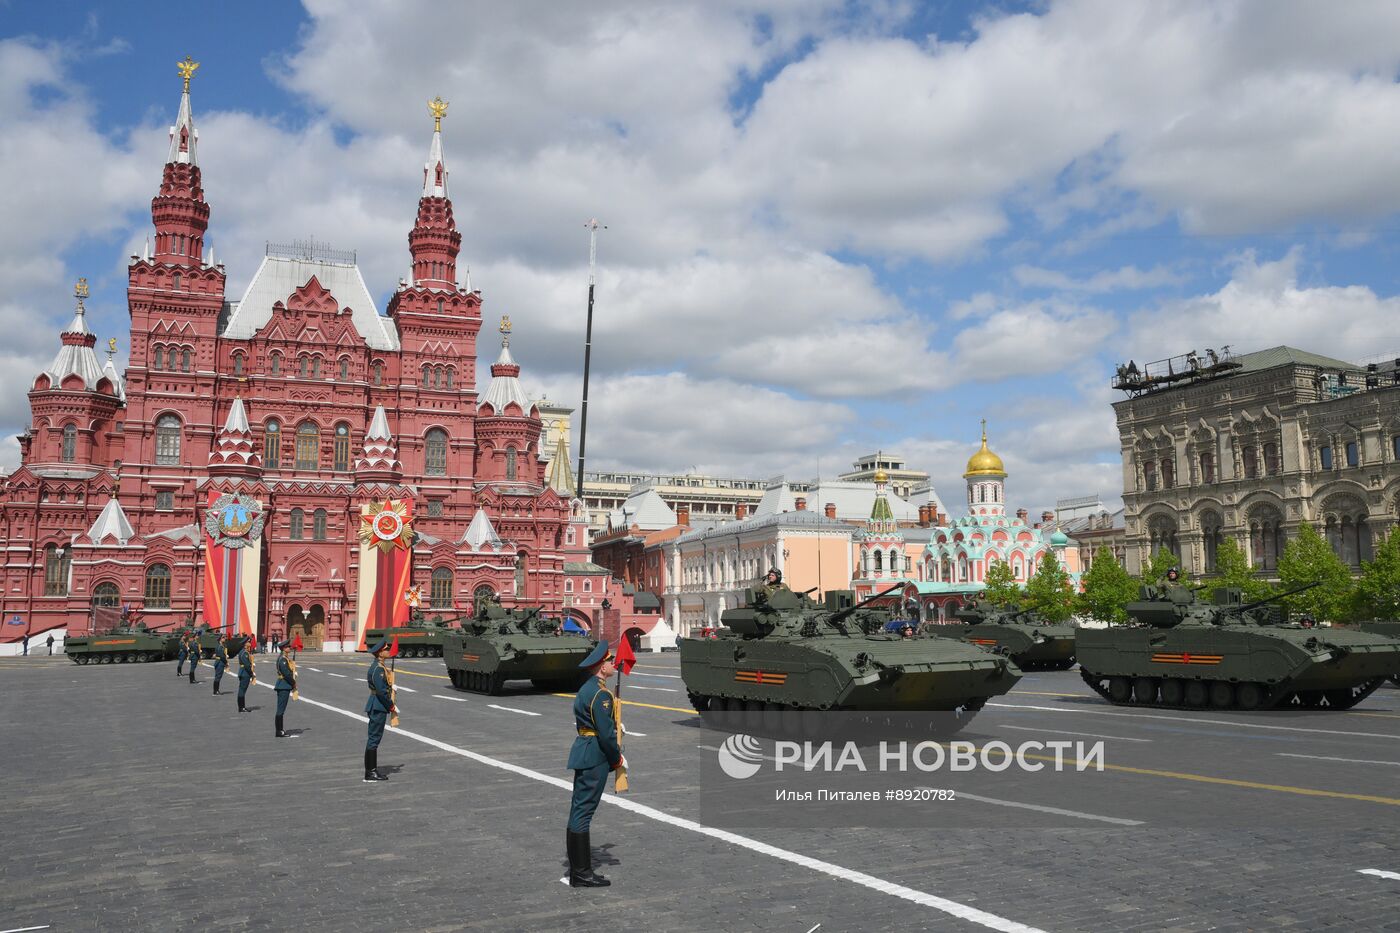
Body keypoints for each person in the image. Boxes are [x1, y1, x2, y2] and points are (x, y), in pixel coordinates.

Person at [565, 641, 624, 888]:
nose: (613, 664)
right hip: (594, 756)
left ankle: (578, 871)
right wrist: (617, 758)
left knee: (578, 810)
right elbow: (606, 735)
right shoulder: (601, 695)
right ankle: (582, 873)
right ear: (602, 667)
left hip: (584, 750)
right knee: (583, 813)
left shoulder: (587, 688)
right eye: (610, 661)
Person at [363, 639, 395, 782]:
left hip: (377, 704)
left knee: (374, 738)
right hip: (378, 705)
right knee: (374, 739)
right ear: (380, 653)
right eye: (386, 649)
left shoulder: (379, 666)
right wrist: (391, 705)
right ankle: (371, 772)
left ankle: (371, 771)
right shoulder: (378, 669)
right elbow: (381, 692)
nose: (388, 651)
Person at [274, 639, 297, 738]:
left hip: (283, 685)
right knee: (281, 709)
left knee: (281, 709)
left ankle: (280, 730)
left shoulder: (284, 658)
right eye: (288, 647)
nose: (289, 648)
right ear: (284, 648)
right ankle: (279, 731)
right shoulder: (283, 660)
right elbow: (286, 674)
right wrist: (293, 683)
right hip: (283, 685)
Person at [236, 636, 256, 713]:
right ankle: (242, 708)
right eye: (249, 642)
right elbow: (247, 665)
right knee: (242, 691)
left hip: (243, 672)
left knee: (242, 690)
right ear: (245, 644)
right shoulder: (245, 653)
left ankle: (241, 707)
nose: (250, 643)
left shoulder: (243, 652)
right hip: (245, 673)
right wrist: (251, 673)